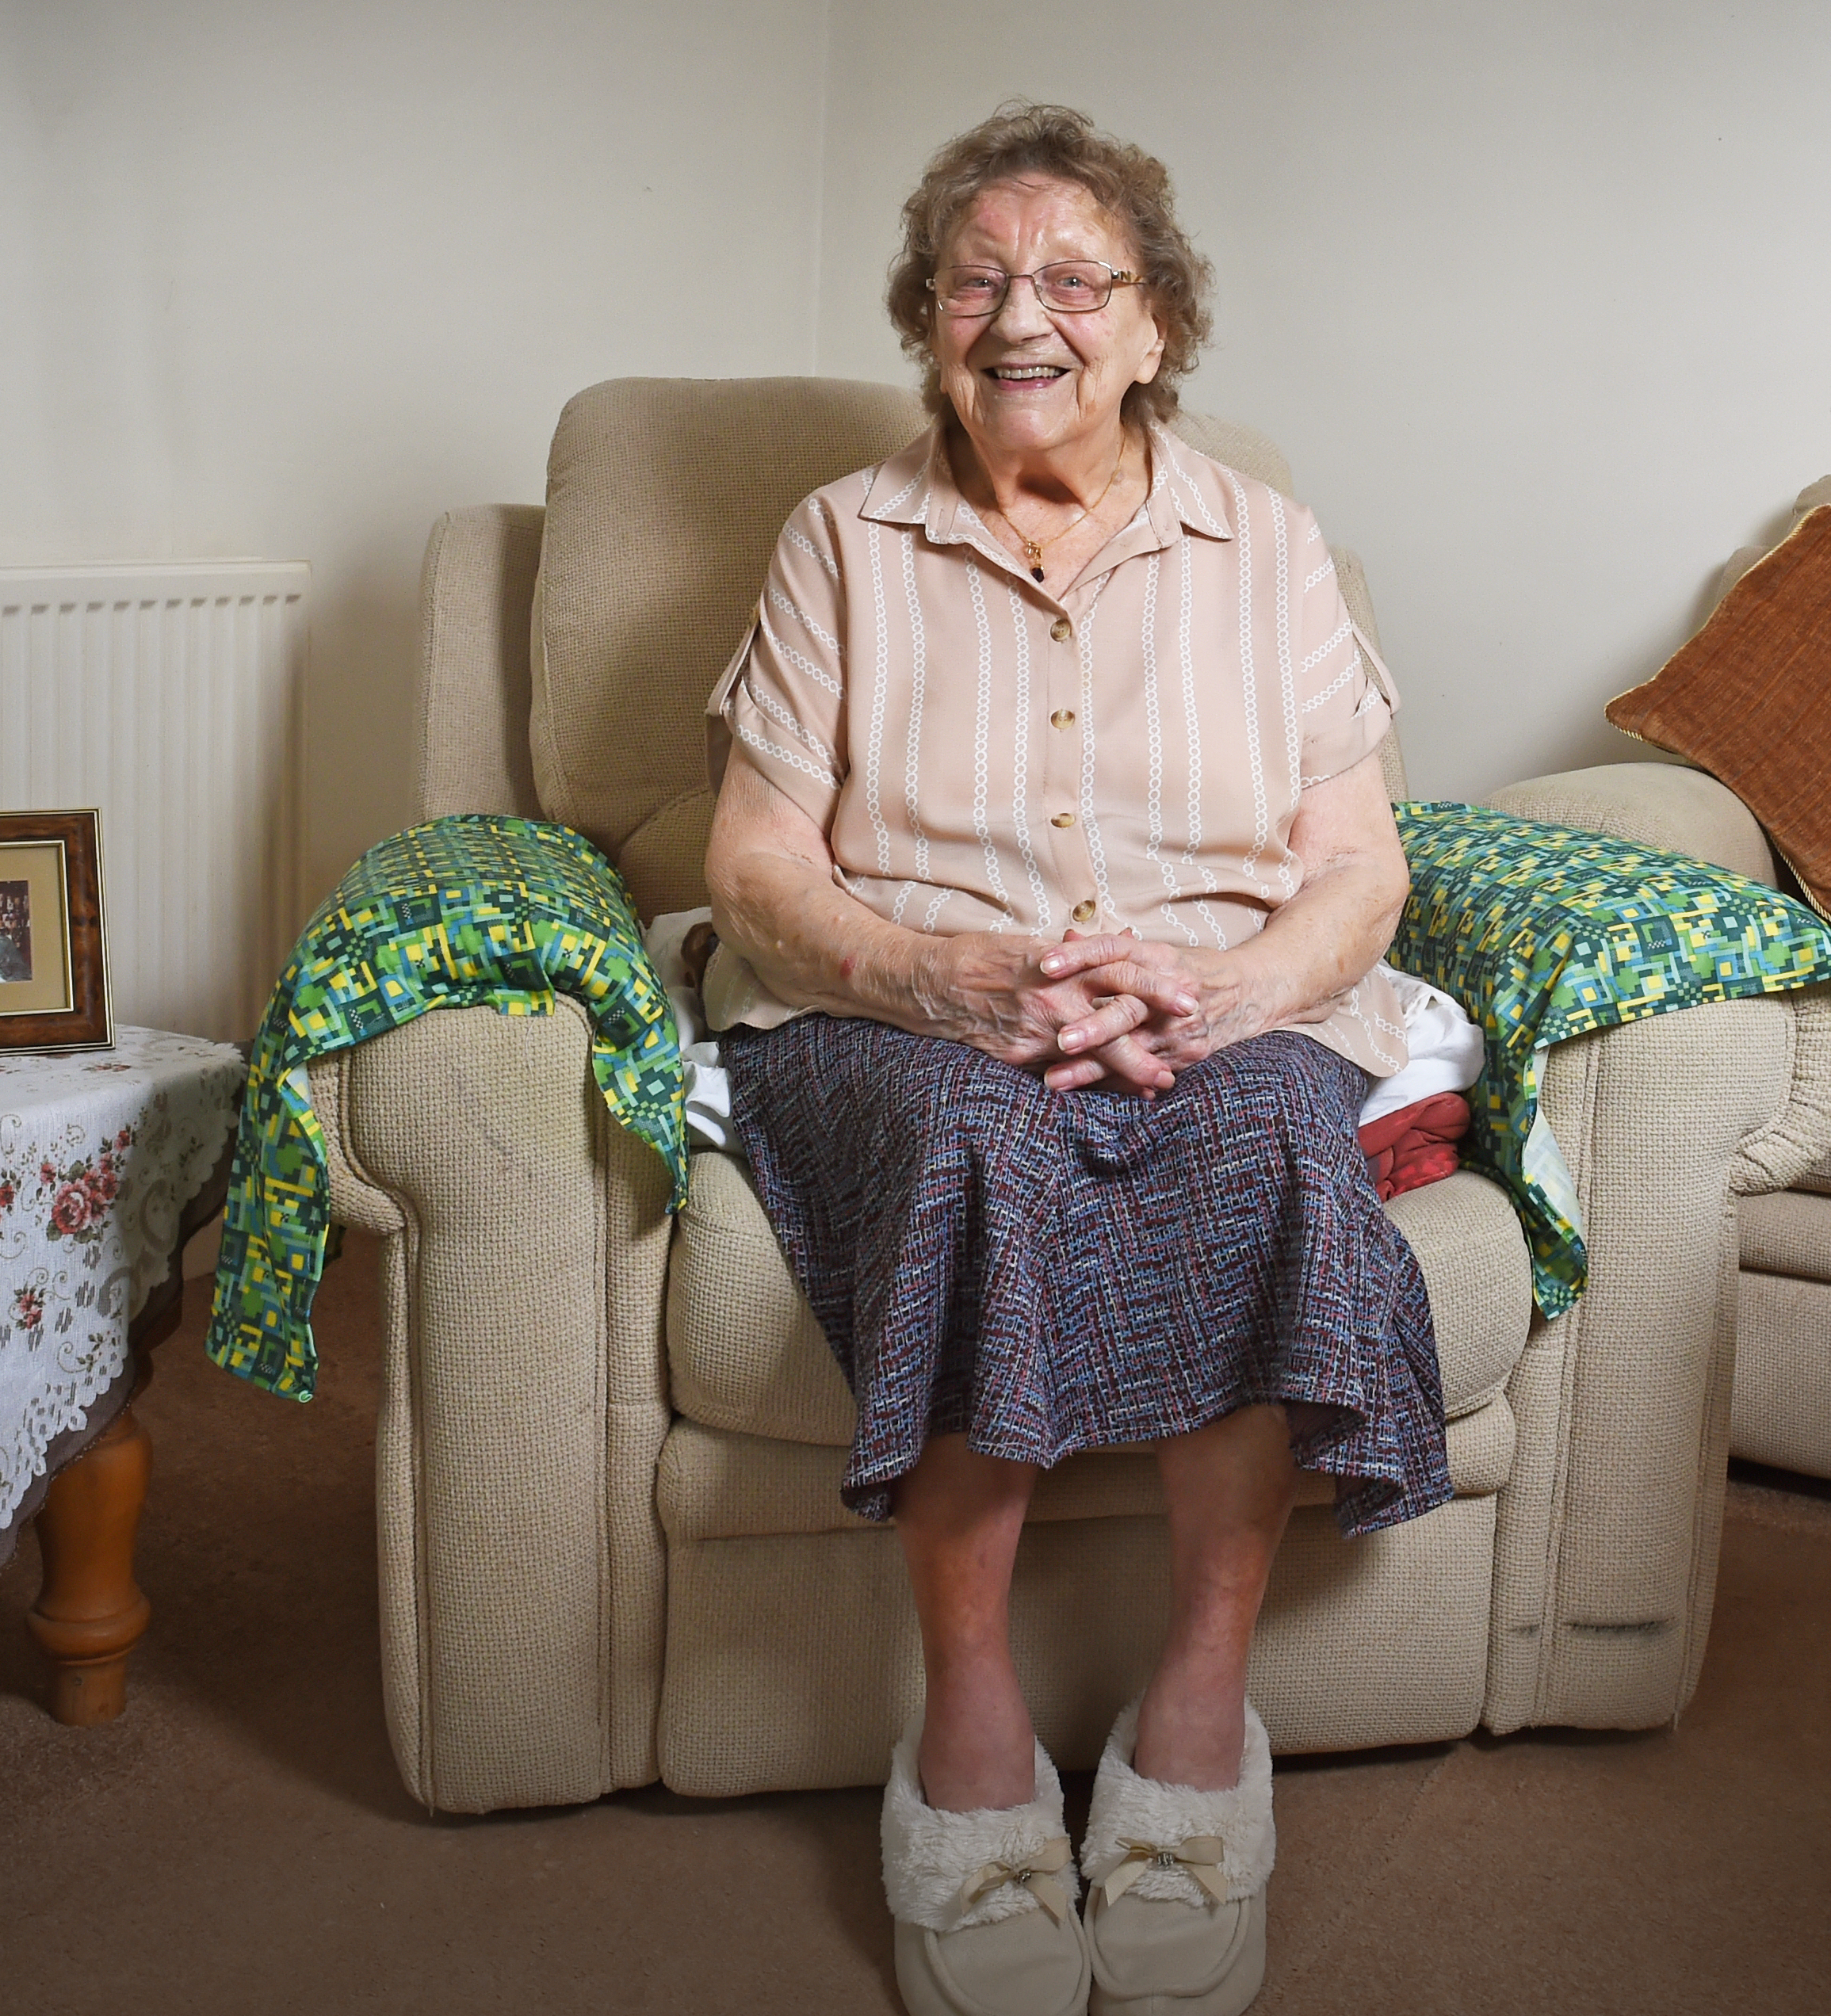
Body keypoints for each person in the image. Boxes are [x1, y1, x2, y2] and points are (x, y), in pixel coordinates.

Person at [701, 104, 1434, 2016]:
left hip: (1218, 1001)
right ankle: (968, 1737)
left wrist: (1232, 990)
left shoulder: (1267, 546)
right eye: (975, 282)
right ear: (928, 321)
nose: (1021, 316)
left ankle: (1197, 1719)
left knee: (1271, 1137)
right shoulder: (841, 539)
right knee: (977, 1138)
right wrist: (930, 975)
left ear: (1153, 324)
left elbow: (1359, 865)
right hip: (910, 1012)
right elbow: (754, 863)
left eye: (1074, 280)